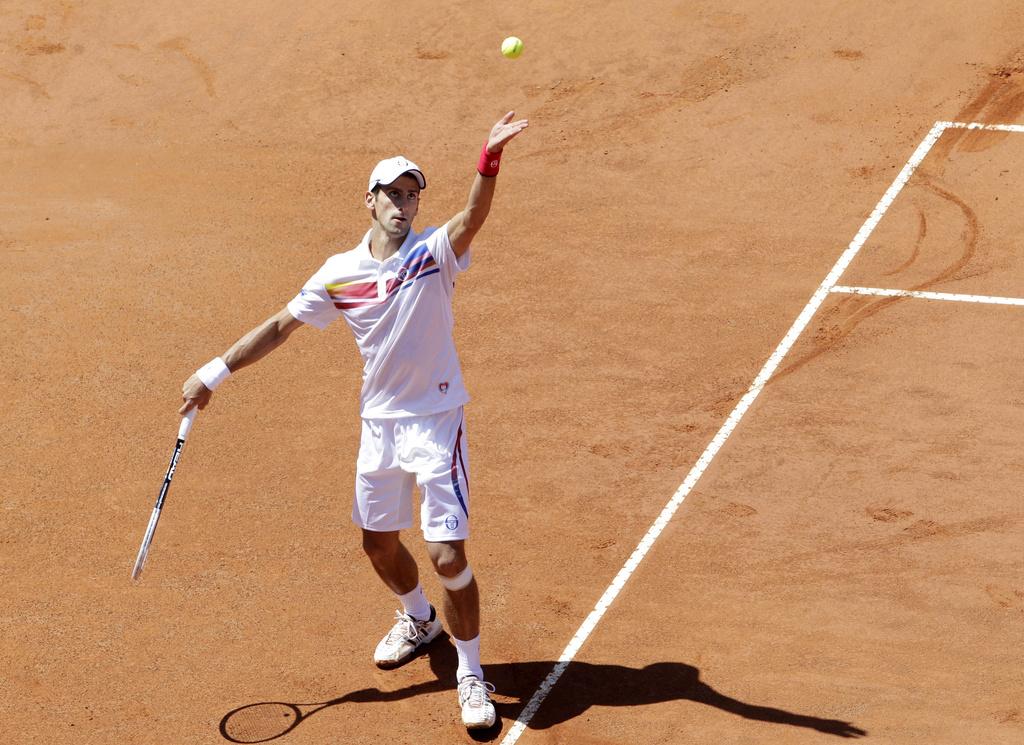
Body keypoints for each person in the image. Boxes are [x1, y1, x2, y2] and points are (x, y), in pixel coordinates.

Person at [179, 111, 529, 730]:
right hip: (380, 426)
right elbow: (280, 327)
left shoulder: (433, 253)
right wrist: (213, 374)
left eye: (412, 193)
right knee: (376, 543)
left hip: (435, 421)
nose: (404, 203)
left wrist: (488, 160)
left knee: (447, 554)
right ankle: (419, 619)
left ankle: (472, 674)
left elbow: (474, 216)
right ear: (368, 201)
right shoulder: (339, 272)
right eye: (392, 193)